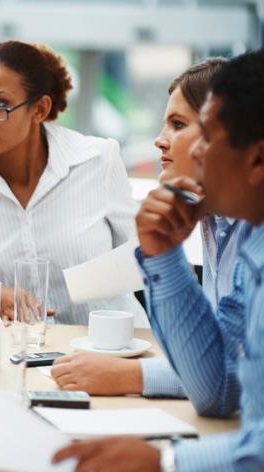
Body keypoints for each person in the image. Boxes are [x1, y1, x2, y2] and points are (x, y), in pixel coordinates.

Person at [54, 49, 264, 471]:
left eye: (198, 131)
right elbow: (219, 387)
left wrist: (166, 462)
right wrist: (163, 252)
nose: (162, 141)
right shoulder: (229, 225)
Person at [0, 40, 143, 325]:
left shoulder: (98, 160)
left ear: (40, 109)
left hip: (110, 346)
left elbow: (141, 256)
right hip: (20, 355)